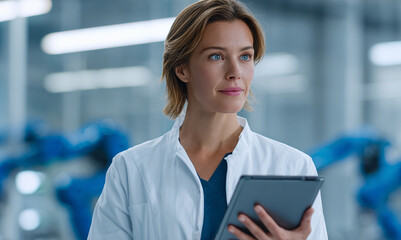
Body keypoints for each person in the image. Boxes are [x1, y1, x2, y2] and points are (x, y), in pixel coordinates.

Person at [88, 0, 328, 239]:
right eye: (216, 56)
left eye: (245, 56)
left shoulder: (292, 168)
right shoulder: (131, 169)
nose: (235, 72)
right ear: (182, 69)